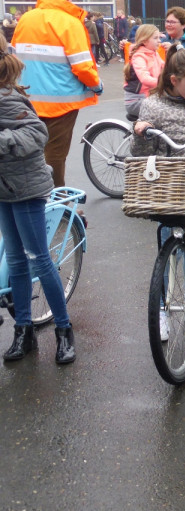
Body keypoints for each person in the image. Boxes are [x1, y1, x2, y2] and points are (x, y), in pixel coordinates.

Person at [130, 44, 185, 337]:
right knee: (170, 245)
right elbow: (141, 153)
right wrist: (141, 132)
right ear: (174, 81)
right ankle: (163, 310)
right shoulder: (153, 105)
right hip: (170, 185)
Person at [0, 34, 76, 365]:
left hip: (27, 188)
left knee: (39, 259)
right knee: (16, 260)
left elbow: (36, 135)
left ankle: (64, 331)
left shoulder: (8, 100)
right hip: (4, 189)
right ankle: (24, 331)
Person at [11, 0, 102, 188]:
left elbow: (13, 56)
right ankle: (57, 206)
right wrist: (96, 85)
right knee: (55, 157)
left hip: (26, 100)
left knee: (27, 153)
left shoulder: (26, 19)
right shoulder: (69, 22)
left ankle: (29, 196)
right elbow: (82, 67)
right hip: (61, 103)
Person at [123, 24, 164, 120]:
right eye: (155, 38)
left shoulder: (154, 53)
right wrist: (163, 83)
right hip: (136, 101)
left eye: (159, 37)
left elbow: (166, 67)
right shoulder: (139, 56)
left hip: (148, 97)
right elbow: (144, 78)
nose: (159, 40)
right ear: (145, 41)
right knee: (166, 111)